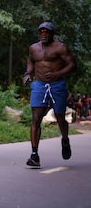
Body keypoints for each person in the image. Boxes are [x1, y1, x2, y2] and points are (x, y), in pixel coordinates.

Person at [22, 21, 77, 167]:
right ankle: (34, 154)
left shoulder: (60, 47)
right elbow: (30, 62)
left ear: (52, 33)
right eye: (41, 31)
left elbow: (72, 64)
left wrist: (57, 74)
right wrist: (27, 73)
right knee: (36, 117)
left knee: (60, 117)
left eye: (46, 31)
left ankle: (65, 139)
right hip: (39, 85)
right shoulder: (33, 48)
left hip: (57, 84)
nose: (43, 34)